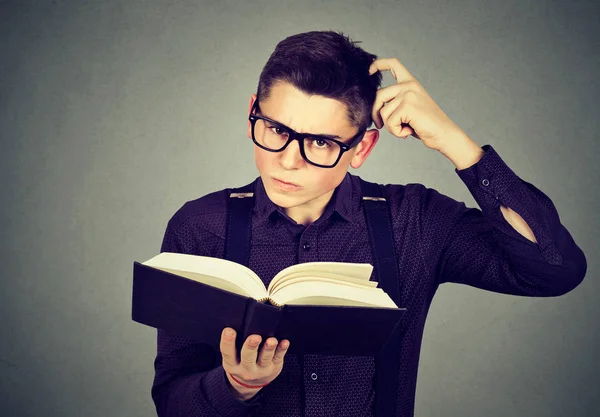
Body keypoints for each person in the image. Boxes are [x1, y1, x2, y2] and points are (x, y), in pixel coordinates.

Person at [150, 30, 587, 417]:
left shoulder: (415, 220)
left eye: (320, 142)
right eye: (275, 129)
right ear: (252, 112)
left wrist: (457, 144)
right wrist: (236, 387)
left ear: (362, 148)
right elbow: (171, 401)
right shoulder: (200, 226)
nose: (287, 159)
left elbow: (553, 269)